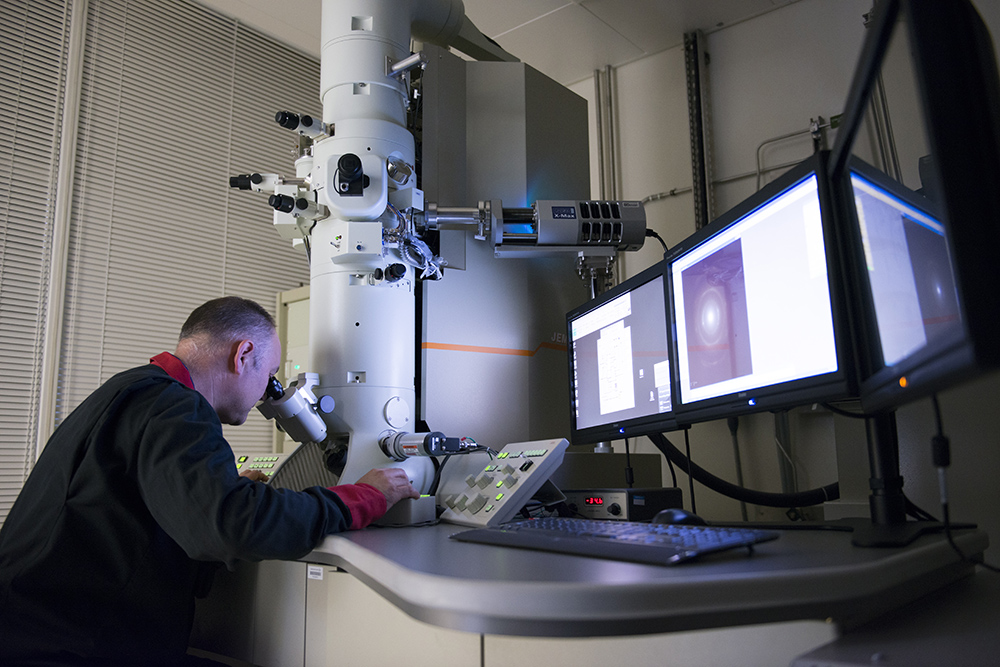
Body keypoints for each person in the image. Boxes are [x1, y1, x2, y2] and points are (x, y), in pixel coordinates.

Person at [0, 296, 419, 667]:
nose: (265, 395)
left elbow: (132, 503)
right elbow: (235, 526)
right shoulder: (177, 408)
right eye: (270, 375)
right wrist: (363, 496)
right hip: (69, 649)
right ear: (243, 354)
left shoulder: (134, 389)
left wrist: (216, 487)